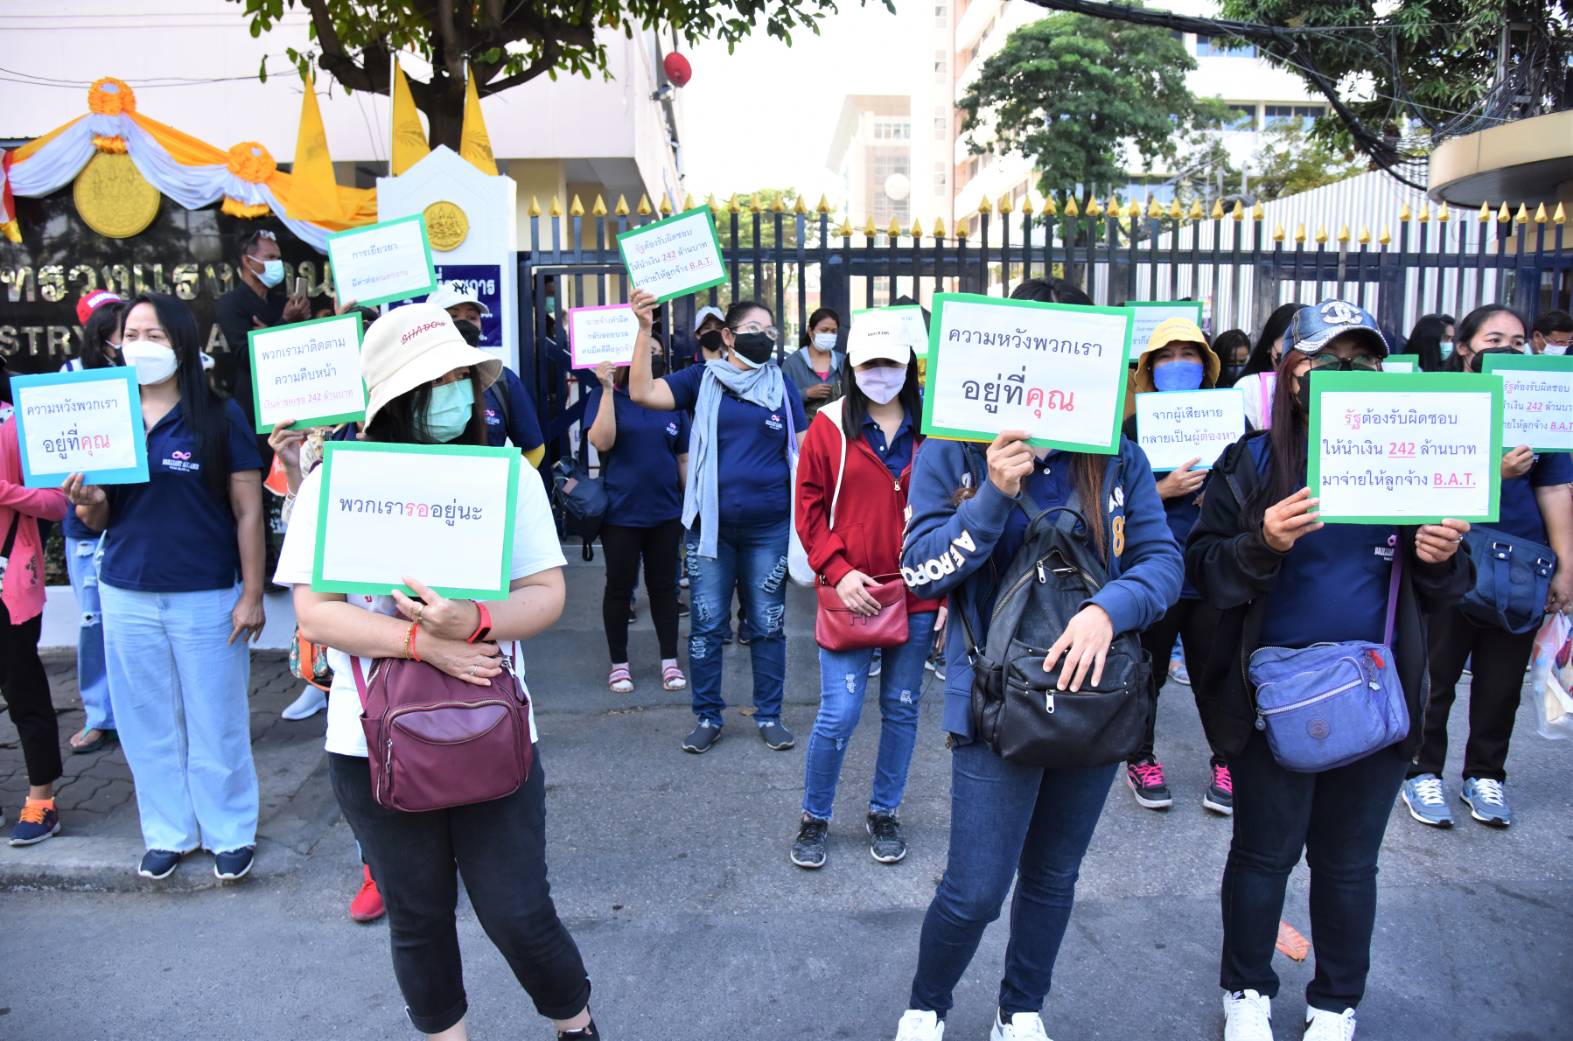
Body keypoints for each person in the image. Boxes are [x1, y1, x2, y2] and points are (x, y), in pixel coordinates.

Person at [274, 303, 599, 1040]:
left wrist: (472, 620)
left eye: (461, 378)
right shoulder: (333, 485)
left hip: (493, 730)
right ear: (393, 399)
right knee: (418, 917)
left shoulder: (507, 478)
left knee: (519, 912)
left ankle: (576, 1026)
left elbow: (546, 595)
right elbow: (317, 615)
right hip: (371, 742)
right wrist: (425, 643)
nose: (455, 395)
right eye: (434, 382)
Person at [889, 277, 1183, 1041]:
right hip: (997, 704)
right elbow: (920, 569)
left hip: (1094, 696)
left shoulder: (1116, 456)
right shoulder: (953, 446)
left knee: (1053, 875)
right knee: (974, 889)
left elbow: (1161, 562)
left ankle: (1019, 1009)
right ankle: (926, 1004)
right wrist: (991, 493)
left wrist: (1107, 610)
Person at [1186, 299, 1472, 1041]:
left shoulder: (1411, 454)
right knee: (1262, 854)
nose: (1346, 371)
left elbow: (1447, 586)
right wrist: (1261, 541)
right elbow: (1204, 571)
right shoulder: (1250, 461)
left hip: (1376, 698)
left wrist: (1440, 557)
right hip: (1271, 700)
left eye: (1363, 358)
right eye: (1325, 358)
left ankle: (1336, 1002)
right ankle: (1246, 991)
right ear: (1290, 372)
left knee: (1348, 864)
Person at [62, 293, 266, 882]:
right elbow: (98, 518)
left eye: (154, 335)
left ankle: (229, 831)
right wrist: (89, 501)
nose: (140, 345)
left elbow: (248, 510)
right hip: (126, 591)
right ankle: (169, 833)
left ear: (181, 343)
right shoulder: (107, 418)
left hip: (206, 593)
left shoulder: (218, 415)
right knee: (145, 719)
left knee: (216, 717)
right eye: (130, 335)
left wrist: (252, 595)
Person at [1402, 305, 1573, 829]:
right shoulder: (1438, 401)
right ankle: (1421, 770)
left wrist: (1565, 567)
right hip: (1450, 554)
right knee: (1437, 674)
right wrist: (1493, 472)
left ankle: (1485, 775)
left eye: (1517, 342)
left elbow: (1555, 489)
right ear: (1464, 348)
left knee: (1501, 683)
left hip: (1521, 564)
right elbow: (1420, 481)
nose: (1507, 349)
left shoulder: (1538, 407)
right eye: (1494, 339)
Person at [629, 292, 806, 754]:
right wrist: (644, 330)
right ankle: (707, 716)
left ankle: (769, 715)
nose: (764, 338)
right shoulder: (700, 379)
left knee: (767, 624)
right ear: (727, 336)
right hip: (710, 532)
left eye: (770, 331)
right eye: (753, 331)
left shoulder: (781, 385)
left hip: (769, 529)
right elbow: (642, 392)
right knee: (707, 626)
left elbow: (806, 451)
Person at [790, 323, 939, 870]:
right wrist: (837, 571)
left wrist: (946, 593)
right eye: (869, 364)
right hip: (850, 592)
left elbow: (955, 508)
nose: (880, 374)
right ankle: (815, 817)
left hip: (919, 589)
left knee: (901, 708)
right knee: (839, 713)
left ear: (909, 366)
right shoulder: (828, 426)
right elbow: (807, 507)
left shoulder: (934, 428)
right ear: (852, 367)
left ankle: (885, 811)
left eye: (891, 363)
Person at [1120, 316, 1235, 815]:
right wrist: (1161, 490)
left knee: (1216, 673)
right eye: (1166, 356)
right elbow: (1112, 500)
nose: (1178, 364)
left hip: (1212, 571)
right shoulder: (1132, 430)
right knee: (1146, 672)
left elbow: (1253, 489)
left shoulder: (1231, 424)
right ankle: (1139, 757)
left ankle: (1228, 760)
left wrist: (1223, 497)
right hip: (1152, 571)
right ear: (1149, 368)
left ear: (1206, 365)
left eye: (1188, 354)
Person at [585, 302, 691, 695]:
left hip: (665, 513)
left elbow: (683, 458)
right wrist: (607, 390)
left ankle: (669, 661)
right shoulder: (607, 397)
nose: (653, 358)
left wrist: (691, 508)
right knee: (619, 587)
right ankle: (619, 664)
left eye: (657, 353)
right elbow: (602, 442)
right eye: (647, 352)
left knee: (664, 589)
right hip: (621, 515)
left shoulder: (671, 402)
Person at [1, 390, 72, 845]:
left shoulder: (15, 423)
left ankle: (41, 799)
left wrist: (5, 492)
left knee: (23, 691)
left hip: (8, 584)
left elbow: (58, 503)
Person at [62, 291, 124, 755]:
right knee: (93, 622)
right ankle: (99, 714)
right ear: (101, 335)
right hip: (86, 524)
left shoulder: (147, 379)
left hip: (136, 517)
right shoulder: (70, 376)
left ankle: (136, 711)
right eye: (125, 332)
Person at [427, 282, 548, 469]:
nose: (464, 323)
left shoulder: (502, 379)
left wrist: (510, 481)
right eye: (453, 316)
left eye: (472, 317)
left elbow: (534, 449)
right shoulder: (409, 381)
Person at [212, 229, 311, 431]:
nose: (277, 264)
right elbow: (247, 356)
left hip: (293, 401)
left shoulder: (281, 302)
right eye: (270, 258)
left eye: (278, 258)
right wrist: (285, 322)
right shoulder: (230, 304)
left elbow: (300, 351)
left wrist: (295, 323)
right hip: (255, 410)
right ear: (248, 262)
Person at [1236, 303, 1303, 431]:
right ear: (1269, 345)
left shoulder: (1324, 389)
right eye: (1289, 342)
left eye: (1307, 344)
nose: (1297, 352)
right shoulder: (1248, 386)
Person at [781, 306, 844, 418]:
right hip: (804, 426)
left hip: (837, 425)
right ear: (810, 331)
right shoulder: (792, 363)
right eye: (824, 330)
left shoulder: (842, 361)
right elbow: (780, 398)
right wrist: (806, 393)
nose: (829, 335)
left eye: (833, 331)